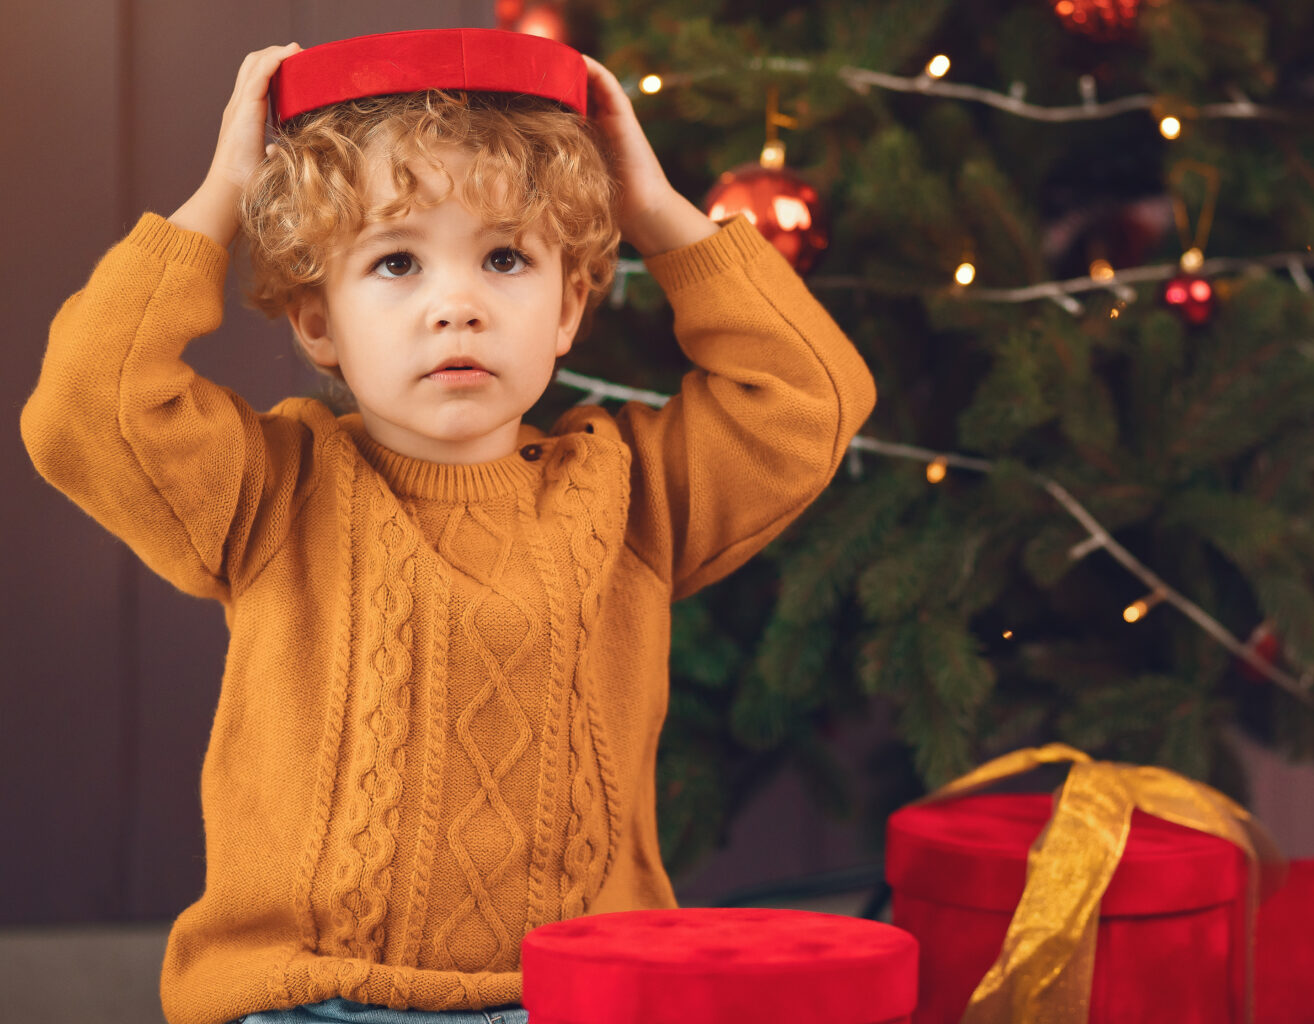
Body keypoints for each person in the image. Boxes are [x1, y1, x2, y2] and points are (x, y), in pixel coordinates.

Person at [20, 31, 875, 1024]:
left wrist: (658, 211)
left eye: (507, 257)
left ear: (567, 309)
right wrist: (220, 195)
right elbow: (88, 402)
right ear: (317, 323)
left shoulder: (634, 495)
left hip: (577, 991)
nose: (457, 305)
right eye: (394, 263)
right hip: (310, 996)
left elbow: (810, 398)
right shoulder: (269, 492)